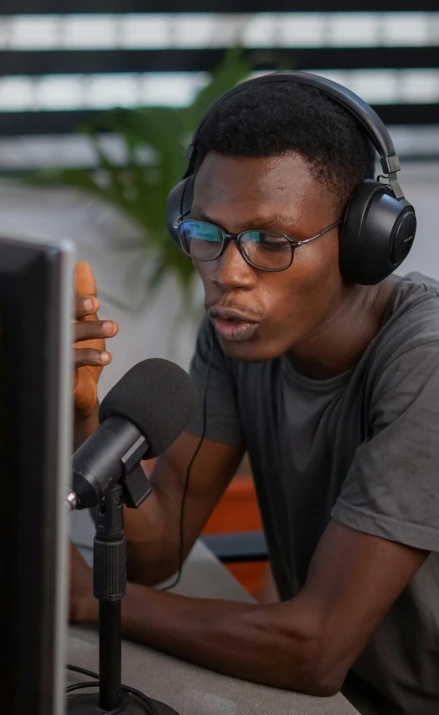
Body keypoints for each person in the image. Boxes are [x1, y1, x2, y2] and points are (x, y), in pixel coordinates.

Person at [69, 76, 439, 715]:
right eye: (207, 234)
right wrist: (83, 420)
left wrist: (91, 601)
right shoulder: (240, 334)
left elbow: (316, 650)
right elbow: (157, 550)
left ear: (366, 238)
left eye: (273, 241)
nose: (228, 274)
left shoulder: (424, 361)